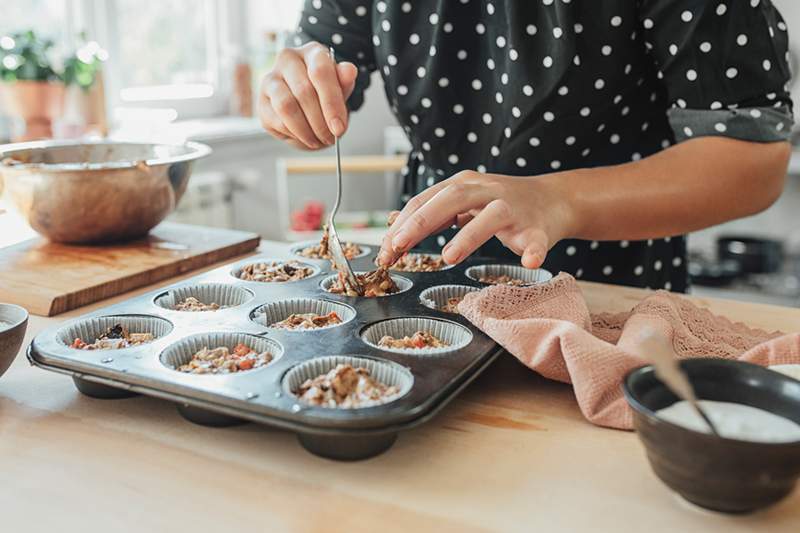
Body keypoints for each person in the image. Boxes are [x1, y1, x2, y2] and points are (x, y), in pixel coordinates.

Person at [258, 0, 794, 292]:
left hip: (607, 290)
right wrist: (293, 91)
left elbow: (752, 154)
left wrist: (559, 200)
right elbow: (321, 65)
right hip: (425, 281)